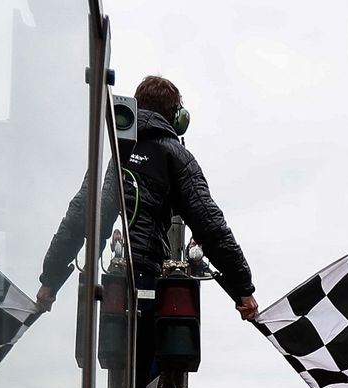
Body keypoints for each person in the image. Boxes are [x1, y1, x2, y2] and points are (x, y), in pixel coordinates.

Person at [38, 75, 259, 372]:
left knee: (120, 365)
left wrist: (49, 281)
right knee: (157, 367)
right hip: (150, 279)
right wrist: (242, 289)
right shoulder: (177, 155)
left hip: (114, 280)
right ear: (177, 118)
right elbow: (211, 225)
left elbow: (79, 217)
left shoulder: (111, 151)